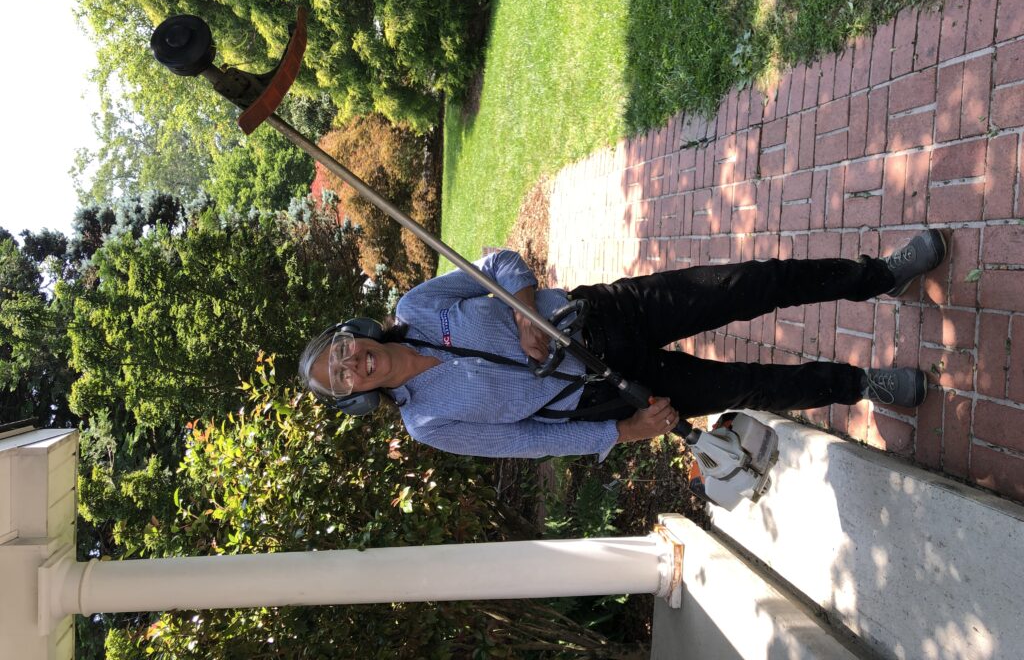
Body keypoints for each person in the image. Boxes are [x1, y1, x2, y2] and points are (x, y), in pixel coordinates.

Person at [298, 230, 948, 460]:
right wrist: (628, 432)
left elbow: (496, 264)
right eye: (343, 377)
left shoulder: (416, 308)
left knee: (755, 284)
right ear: (357, 395)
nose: (351, 364)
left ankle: (879, 277)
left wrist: (525, 314)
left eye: (341, 352)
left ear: (352, 335)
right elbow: (528, 442)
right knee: (752, 385)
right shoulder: (427, 422)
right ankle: (862, 386)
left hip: (603, 316)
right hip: (608, 394)